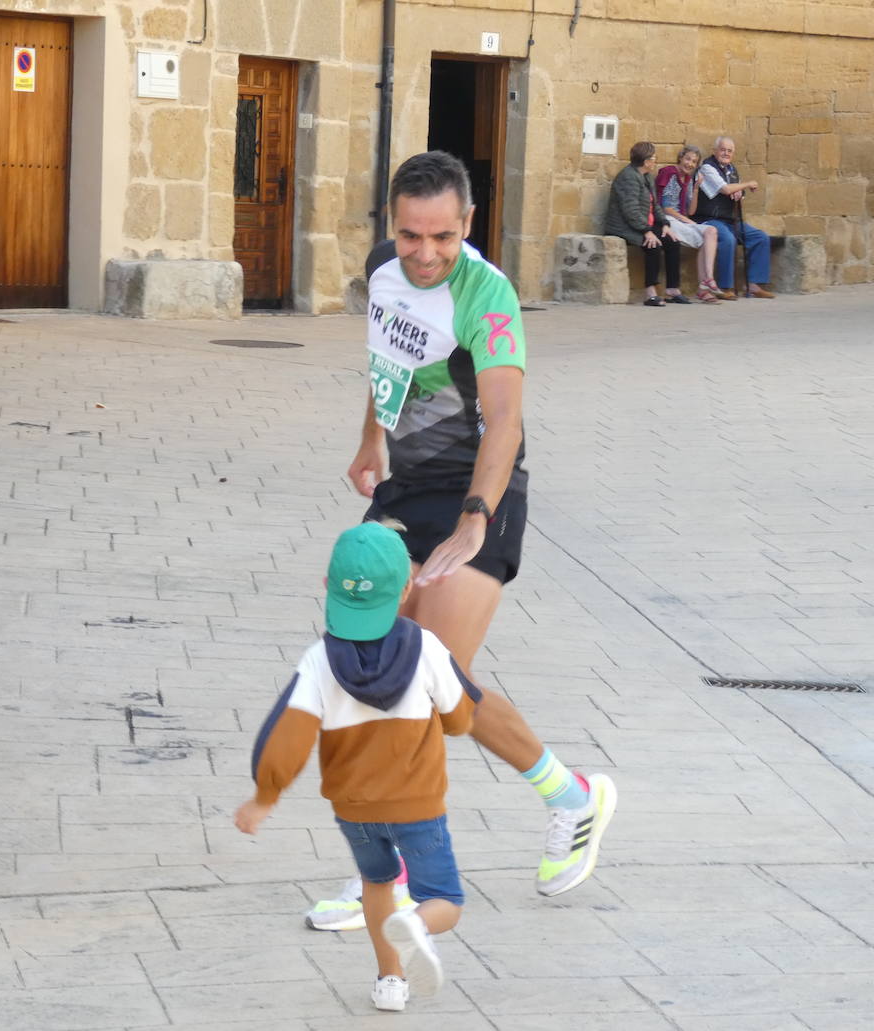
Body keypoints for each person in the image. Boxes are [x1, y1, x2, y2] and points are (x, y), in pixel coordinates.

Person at [307, 150, 617, 932]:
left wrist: (477, 513)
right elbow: (390, 363)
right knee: (374, 666)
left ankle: (398, 870)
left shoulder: (489, 297)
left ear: (467, 224)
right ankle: (571, 796)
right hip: (407, 485)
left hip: (482, 487)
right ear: (392, 223)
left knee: (425, 676)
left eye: (442, 236)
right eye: (411, 235)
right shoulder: (383, 271)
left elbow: (504, 418)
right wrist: (370, 439)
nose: (425, 253)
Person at [236, 522, 475, 1012]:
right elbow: (460, 719)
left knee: (376, 885)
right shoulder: (427, 648)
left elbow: (286, 736)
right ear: (407, 588)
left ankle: (391, 980)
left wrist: (265, 797)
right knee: (444, 899)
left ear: (328, 586)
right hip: (418, 807)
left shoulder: (320, 660)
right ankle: (419, 927)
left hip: (356, 812)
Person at [605, 141, 689, 306]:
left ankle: (672, 289)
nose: (655, 160)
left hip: (642, 223)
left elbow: (654, 205)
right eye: (653, 158)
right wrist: (646, 231)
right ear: (646, 161)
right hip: (623, 226)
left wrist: (664, 224)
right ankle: (650, 292)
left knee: (672, 241)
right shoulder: (628, 177)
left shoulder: (646, 176)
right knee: (653, 245)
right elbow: (630, 210)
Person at [695, 136, 775, 299]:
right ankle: (725, 287)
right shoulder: (707, 167)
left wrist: (740, 192)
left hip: (731, 219)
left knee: (760, 237)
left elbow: (735, 190)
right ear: (715, 151)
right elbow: (725, 189)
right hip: (710, 219)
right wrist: (746, 185)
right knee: (728, 239)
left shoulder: (732, 169)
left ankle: (754, 285)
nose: (726, 153)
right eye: (723, 150)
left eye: (729, 151)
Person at [654, 144, 723, 303]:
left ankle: (708, 279)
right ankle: (703, 289)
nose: (690, 164)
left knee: (711, 231)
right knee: (705, 239)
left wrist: (697, 187)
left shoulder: (688, 180)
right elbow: (667, 208)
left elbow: (691, 211)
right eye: (687, 159)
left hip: (681, 220)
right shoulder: (671, 174)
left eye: (694, 162)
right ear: (680, 158)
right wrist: (688, 222)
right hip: (667, 220)